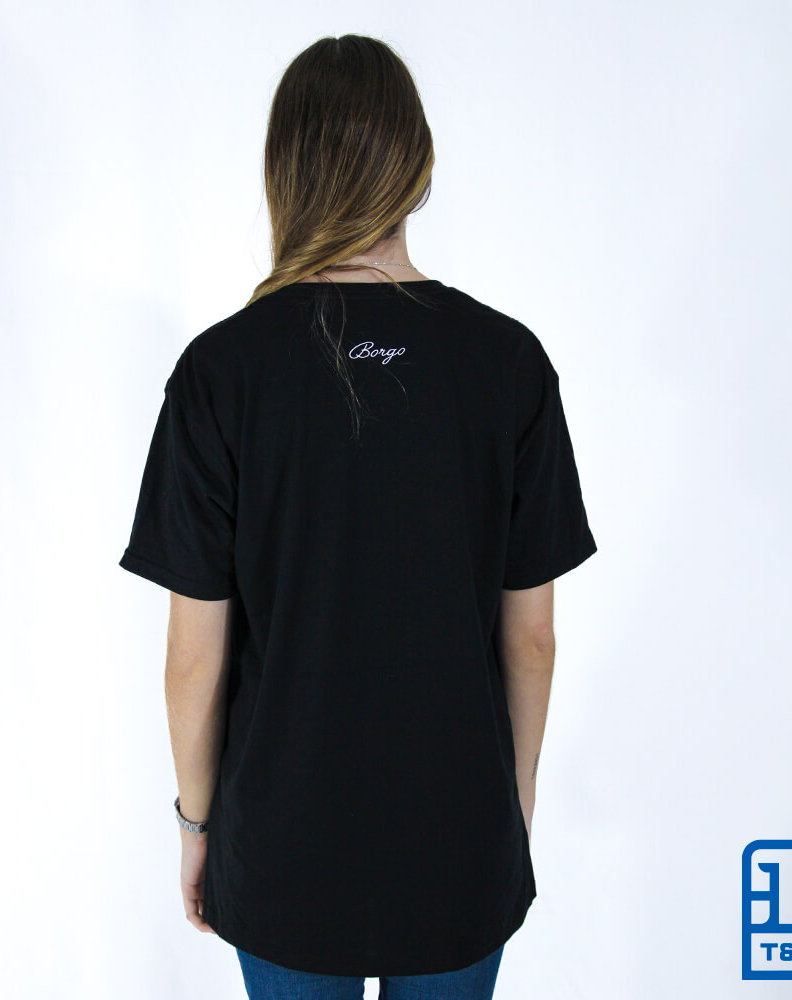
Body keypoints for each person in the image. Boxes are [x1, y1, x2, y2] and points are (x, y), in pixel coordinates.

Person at [118, 33, 598, 1000]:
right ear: (416, 168)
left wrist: (196, 827)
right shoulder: (507, 363)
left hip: (282, 852)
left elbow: (192, 659)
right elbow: (533, 639)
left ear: (285, 172)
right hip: (461, 840)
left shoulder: (221, 372)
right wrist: (513, 813)